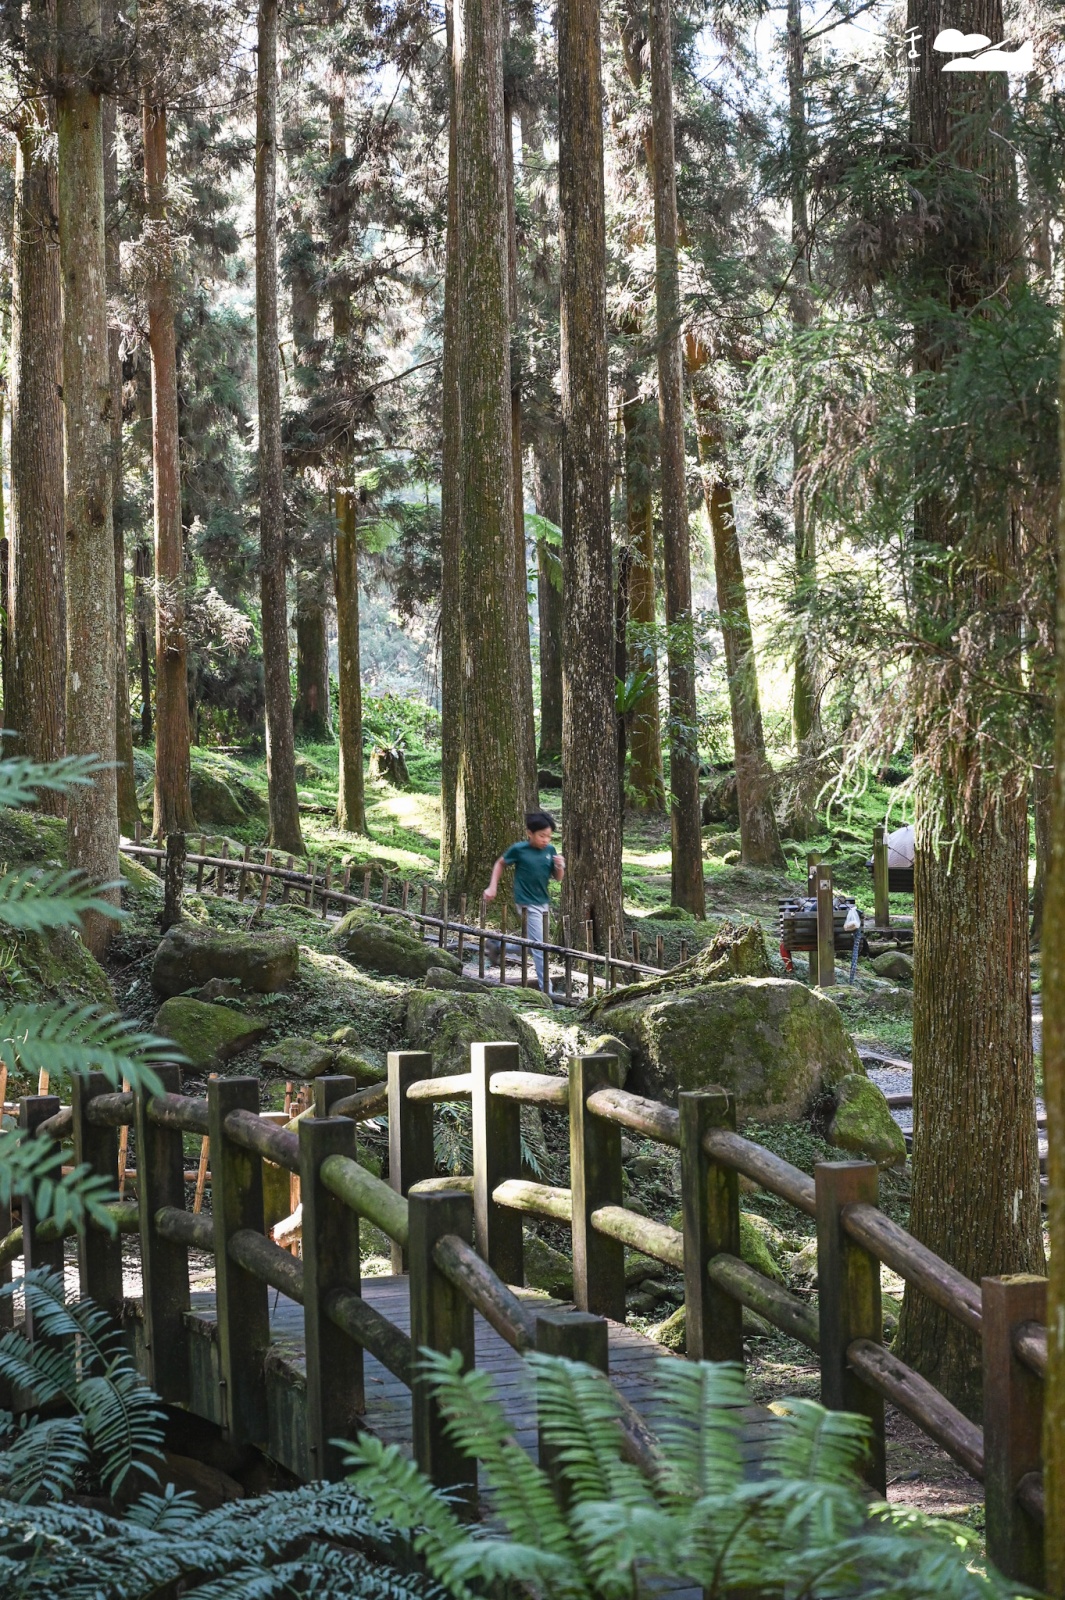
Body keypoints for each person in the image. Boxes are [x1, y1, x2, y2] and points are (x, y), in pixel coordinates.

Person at [483, 811, 565, 995]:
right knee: (540, 948)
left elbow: (558, 878)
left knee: (535, 944)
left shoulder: (550, 851)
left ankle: (497, 945)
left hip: (543, 903)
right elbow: (500, 863)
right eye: (541, 836)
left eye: (549, 836)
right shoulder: (519, 849)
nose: (545, 840)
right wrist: (492, 887)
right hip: (527, 903)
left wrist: (560, 865)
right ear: (530, 833)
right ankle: (548, 994)